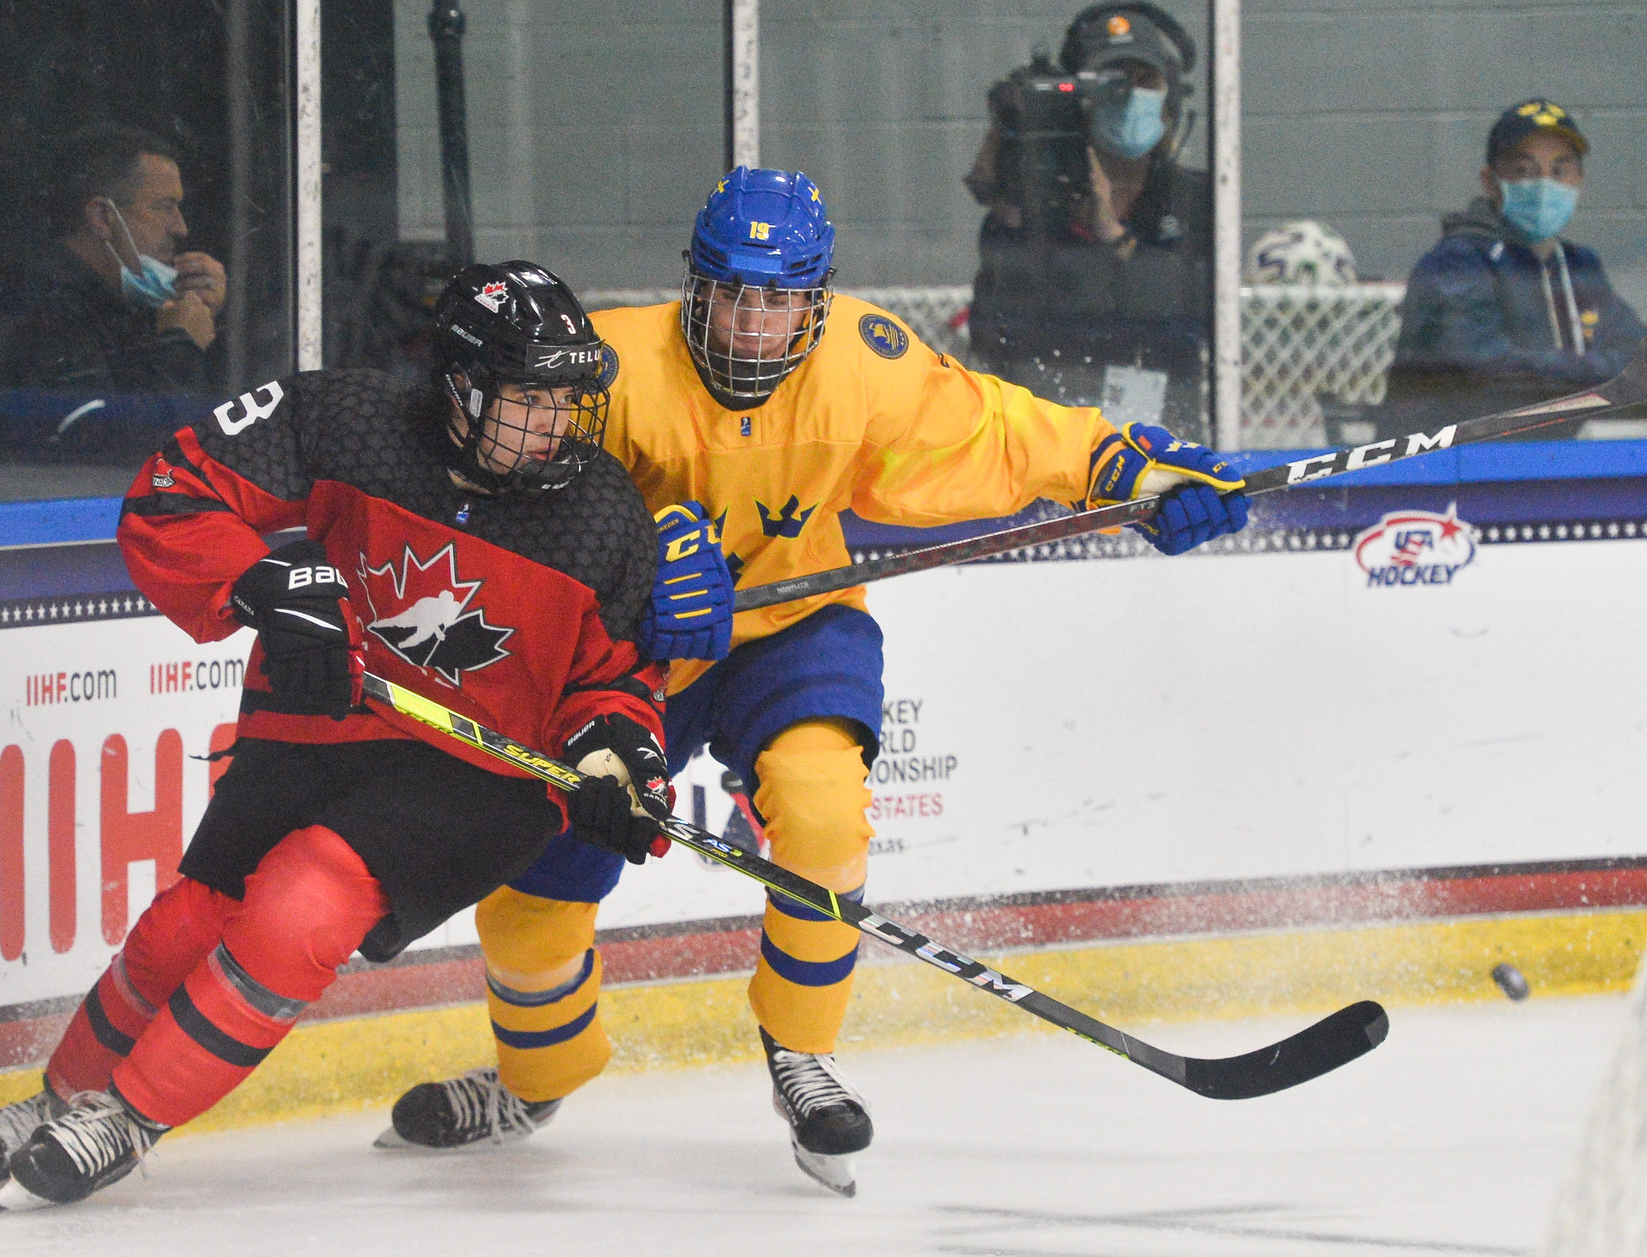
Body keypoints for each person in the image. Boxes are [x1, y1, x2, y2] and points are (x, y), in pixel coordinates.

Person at [378, 167, 1250, 1196]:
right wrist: (631, 569)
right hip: (630, 656)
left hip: (793, 625)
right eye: (732, 295)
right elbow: (512, 514)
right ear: (694, 289)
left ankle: (803, 1050)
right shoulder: (605, 369)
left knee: (823, 809)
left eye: (778, 299)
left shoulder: (862, 363)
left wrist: (1132, 474)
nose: (752, 325)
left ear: (814, 300)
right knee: (537, 892)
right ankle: (535, 1079)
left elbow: (990, 433)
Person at [0, 262, 671, 1210]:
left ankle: (128, 1116)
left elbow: (613, 681)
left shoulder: (604, 511)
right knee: (183, 929)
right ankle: (59, 1100)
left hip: (483, 769)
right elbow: (171, 492)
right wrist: (265, 583)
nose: (556, 420)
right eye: (530, 396)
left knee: (303, 899)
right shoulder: (346, 421)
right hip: (325, 715)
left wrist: (614, 755)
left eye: (568, 397)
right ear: (460, 384)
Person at [1386, 98, 1647, 432]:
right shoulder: (1456, 263)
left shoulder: (1578, 263)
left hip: (1548, 458)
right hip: (1445, 471)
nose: (1544, 184)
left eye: (1560, 169)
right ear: (1490, 181)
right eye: (1523, 170)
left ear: (1578, 181)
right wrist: (1639, 369)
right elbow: (1489, 368)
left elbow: (1626, 340)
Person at [964, 3, 1213, 433]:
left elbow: (1192, 317)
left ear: (1170, 99)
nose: (1129, 95)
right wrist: (1010, 189)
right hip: (1052, 443)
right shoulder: (1039, 209)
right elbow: (994, 339)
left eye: (1144, 80)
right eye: (1113, 82)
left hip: (1166, 440)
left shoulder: (1196, 199)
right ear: (1079, 104)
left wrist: (1112, 236)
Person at [0, 124, 231, 464]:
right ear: (102, 217)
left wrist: (202, 320)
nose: (180, 227)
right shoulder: (42, 311)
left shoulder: (122, 303)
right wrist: (182, 346)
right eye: (163, 207)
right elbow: (115, 450)